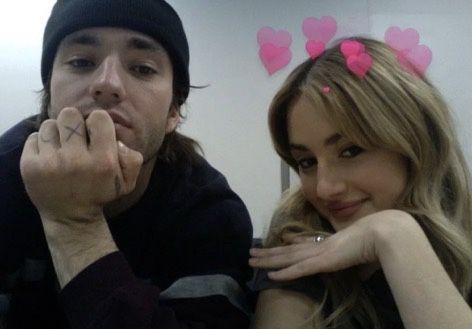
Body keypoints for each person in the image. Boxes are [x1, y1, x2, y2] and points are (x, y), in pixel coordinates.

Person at [0, 1, 253, 328]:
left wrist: (74, 224)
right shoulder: (4, 180)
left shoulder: (211, 216)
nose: (107, 84)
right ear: (48, 96)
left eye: (143, 68)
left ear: (174, 112)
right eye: (81, 62)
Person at [249, 37, 472, 329]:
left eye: (351, 151)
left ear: (415, 142)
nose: (325, 188)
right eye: (307, 162)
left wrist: (395, 236)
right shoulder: (297, 246)